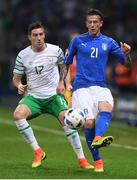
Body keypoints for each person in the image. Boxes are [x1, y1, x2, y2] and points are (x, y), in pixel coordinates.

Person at [12, 21, 93, 169]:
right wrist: (19, 85)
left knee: (69, 121)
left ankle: (82, 160)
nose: (39, 38)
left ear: (44, 35)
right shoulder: (22, 55)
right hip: (34, 98)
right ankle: (38, 152)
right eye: (35, 35)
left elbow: (64, 67)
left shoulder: (55, 50)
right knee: (18, 115)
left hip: (53, 96)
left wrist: (63, 83)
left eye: (41, 34)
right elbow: (16, 78)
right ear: (29, 37)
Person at [65, 9, 132, 172]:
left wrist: (127, 54)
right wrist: (64, 82)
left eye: (96, 22)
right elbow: (66, 63)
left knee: (107, 108)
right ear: (86, 24)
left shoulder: (109, 42)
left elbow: (127, 65)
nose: (92, 25)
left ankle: (98, 138)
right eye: (90, 22)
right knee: (89, 122)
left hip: (101, 86)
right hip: (81, 87)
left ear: (101, 23)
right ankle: (98, 162)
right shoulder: (77, 41)